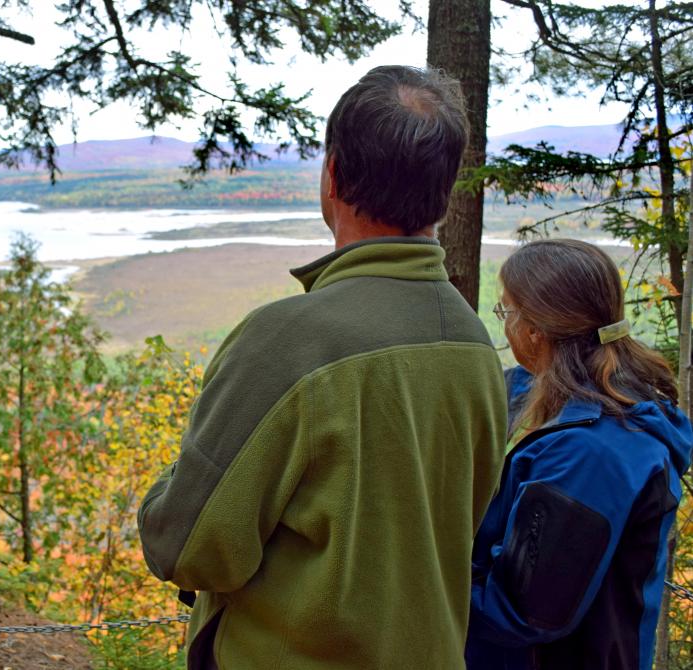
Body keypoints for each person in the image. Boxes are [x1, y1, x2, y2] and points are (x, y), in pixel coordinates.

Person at [137, 65, 508, 670]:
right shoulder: (472, 342)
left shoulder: (286, 342)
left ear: (332, 174)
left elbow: (190, 547)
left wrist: (164, 495)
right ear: (445, 190)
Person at [466, 239, 693, 670]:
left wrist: (422, 581)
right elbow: (505, 389)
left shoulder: (591, 455)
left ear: (535, 331)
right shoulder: (578, 394)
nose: (505, 323)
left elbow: (522, 610)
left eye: (506, 311)